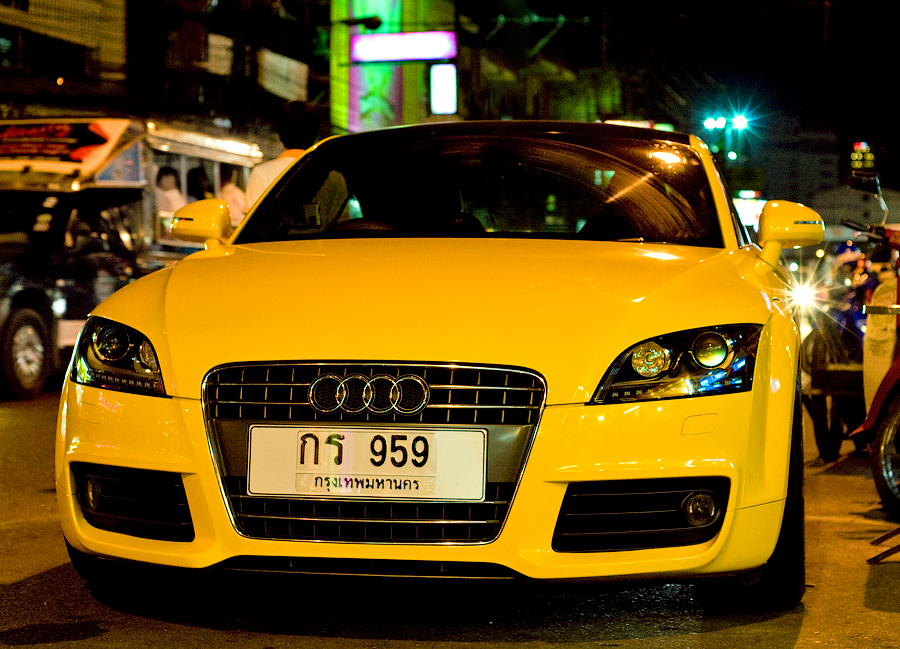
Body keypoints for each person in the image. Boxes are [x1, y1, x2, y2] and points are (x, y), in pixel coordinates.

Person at [244, 101, 321, 207]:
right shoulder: (330, 176)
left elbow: (252, 217)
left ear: (279, 136)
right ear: (316, 136)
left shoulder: (261, 174)